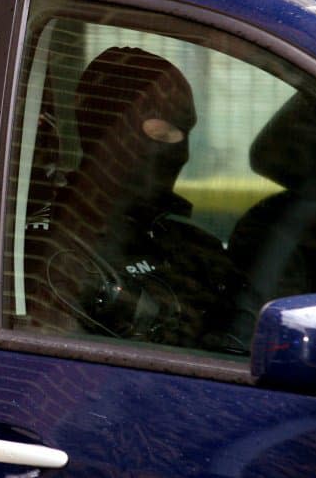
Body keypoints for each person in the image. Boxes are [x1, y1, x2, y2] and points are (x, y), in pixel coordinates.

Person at [33, 47, 242, 350]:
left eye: (182, 132)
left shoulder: (191, 245)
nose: (177, 148)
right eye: (160, 133)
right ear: (106, 130)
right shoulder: (56, 250)